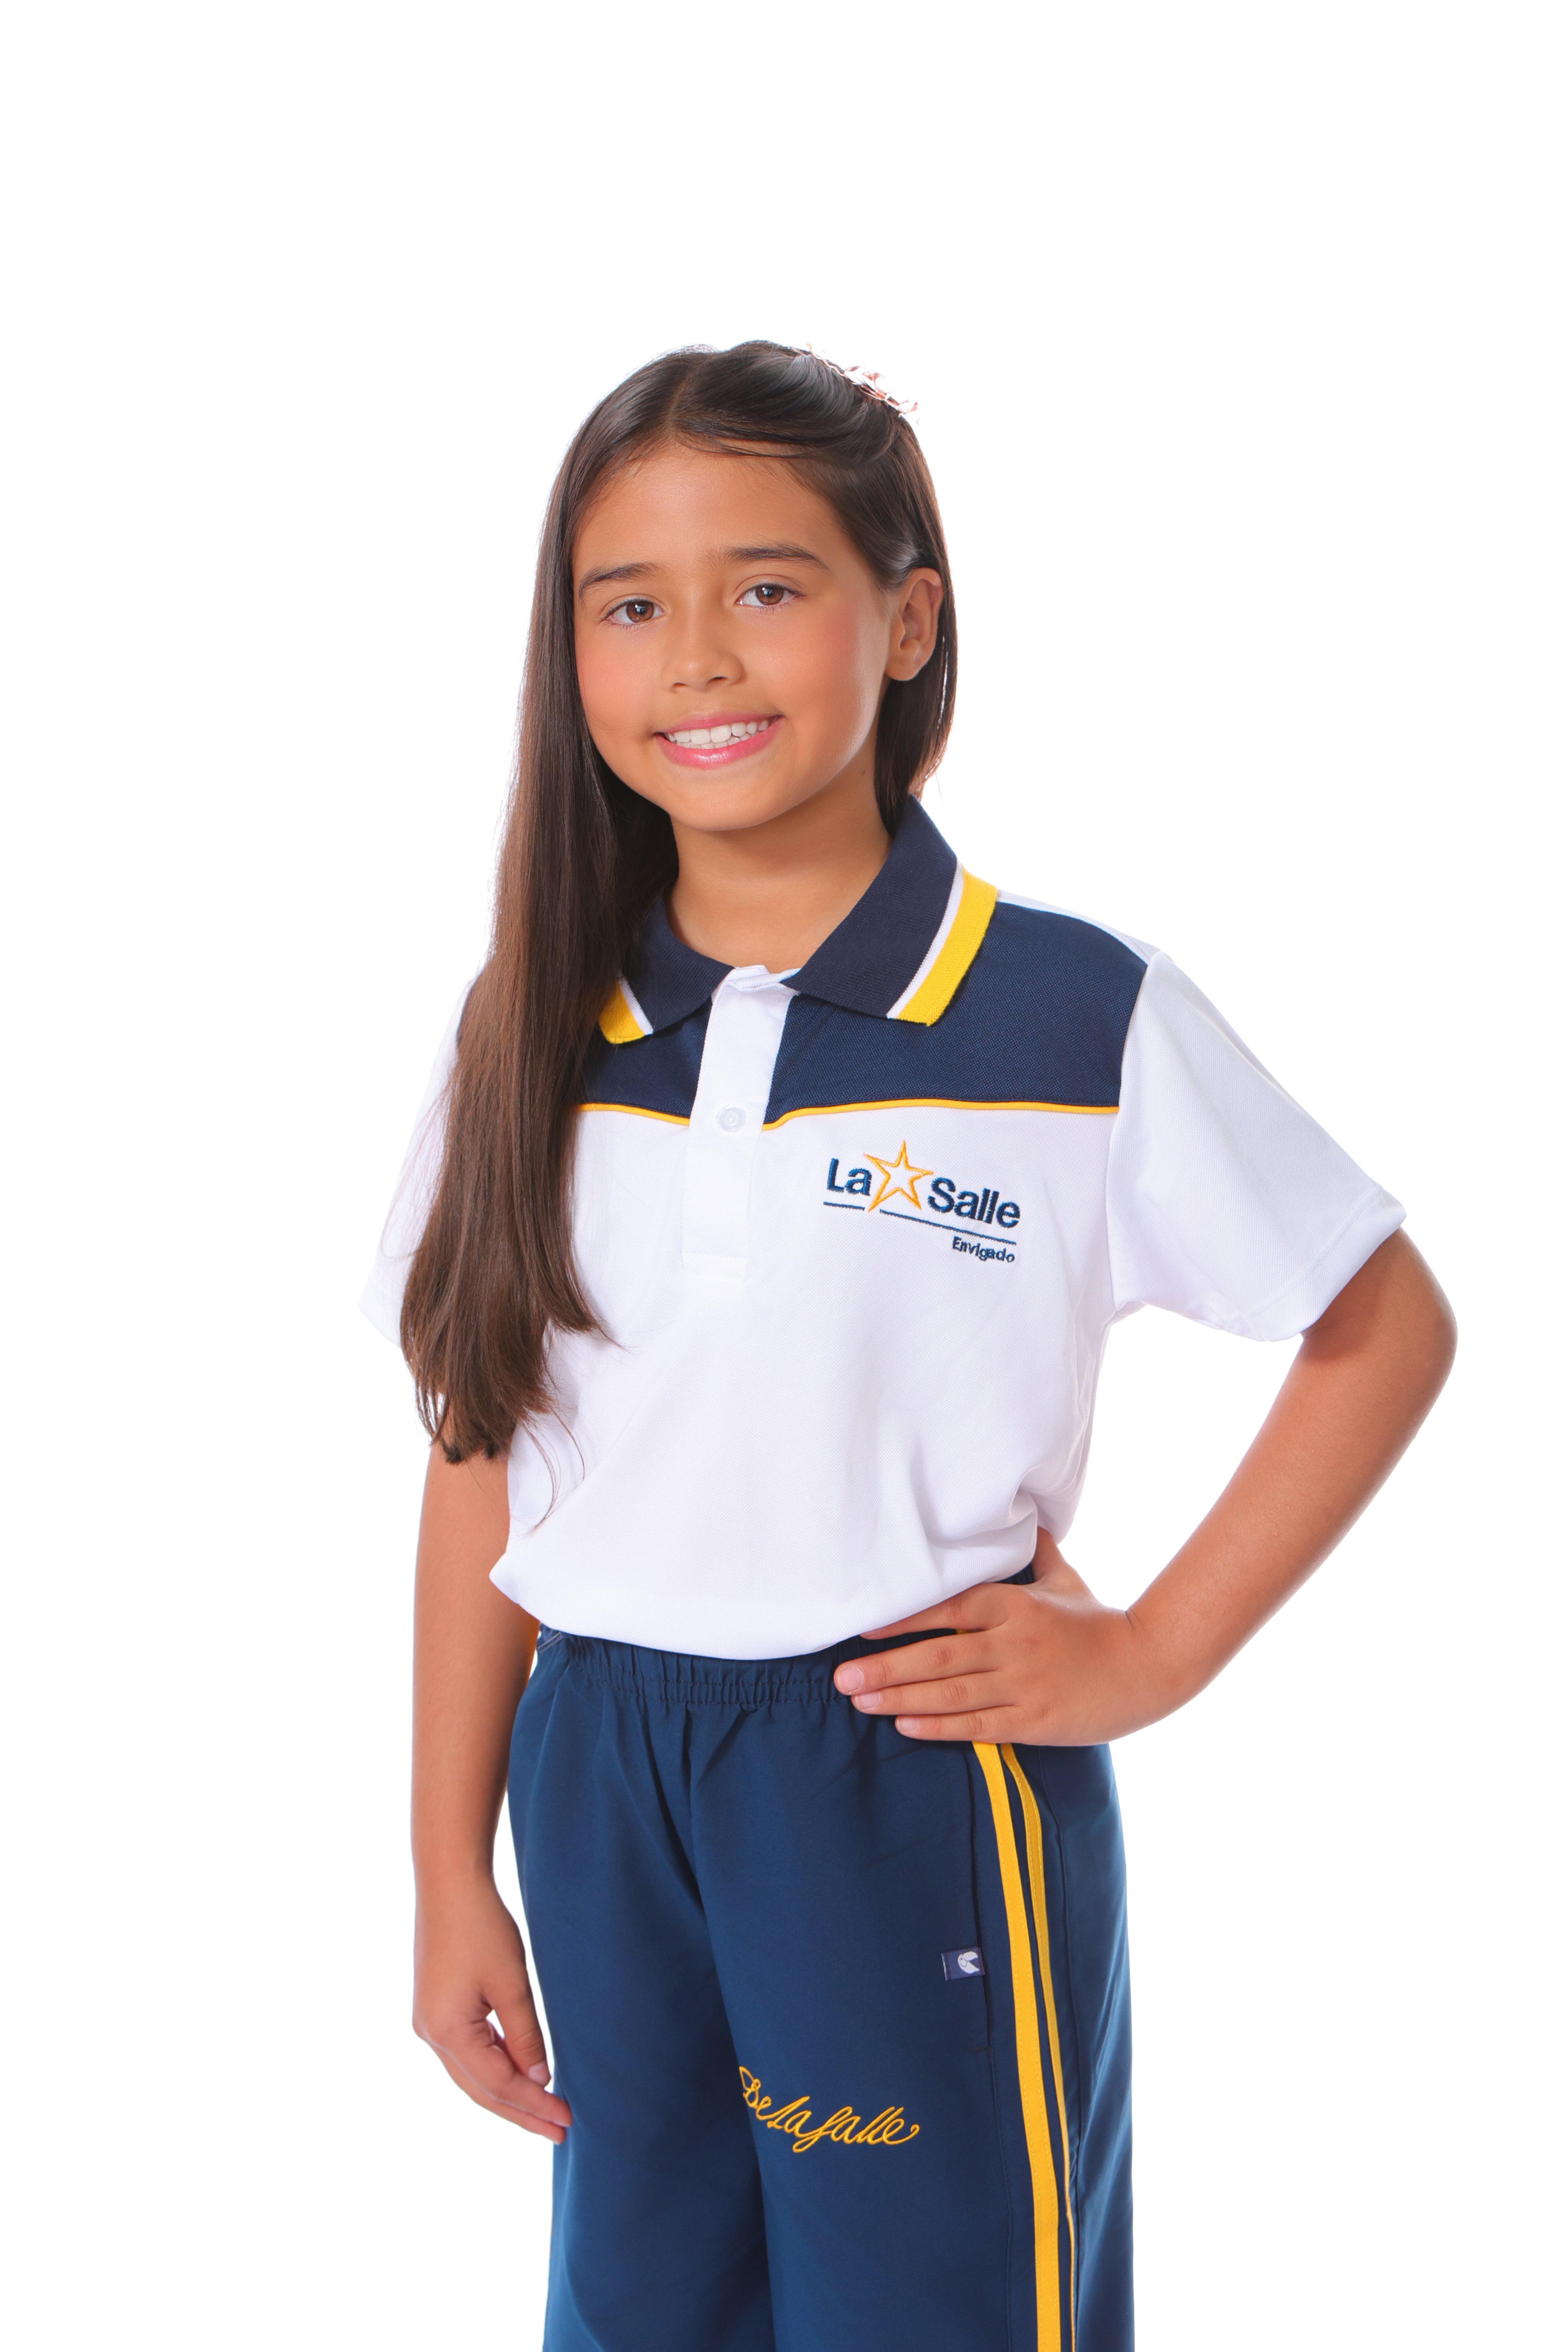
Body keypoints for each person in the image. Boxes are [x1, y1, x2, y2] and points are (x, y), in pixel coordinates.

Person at [362, 341, 1455, 2352]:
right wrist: (449, 1866)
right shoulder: (529, 1025)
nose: (699, 655)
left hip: (902, 1769)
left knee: (932, 2312)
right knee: (643, 2308)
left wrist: (1153, 1653)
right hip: (597, 1775)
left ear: (909, 617)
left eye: (767, 586)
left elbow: (1378, 1319)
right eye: (630, 605)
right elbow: (480, 1451)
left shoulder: (1068, 1014)